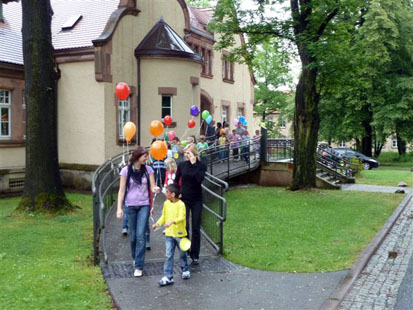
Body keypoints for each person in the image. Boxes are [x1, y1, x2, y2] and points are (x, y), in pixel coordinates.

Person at [116, 147, 160, 277]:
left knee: (141, 234)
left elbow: (152, 186)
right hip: (130, 206)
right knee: (133, 236)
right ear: (137, 156)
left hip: (144, 205)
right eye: (145, 156)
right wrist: (119, 208)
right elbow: (122, 190)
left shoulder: (148, 170)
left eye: (147, 156)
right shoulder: (125, 171)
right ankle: (135, 257)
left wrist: (156, 188)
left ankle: (139, 265)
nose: (147, 158)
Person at [174, 144, 207, 265]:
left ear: (195, 154)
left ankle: (195, 254)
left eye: (189, 153)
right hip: (184, 199)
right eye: (186, 153)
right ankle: (186, 250)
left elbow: (199, 179)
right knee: (185, 226)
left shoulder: (201, 166)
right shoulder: (181, 166)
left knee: (196, 227)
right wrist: (177, 194)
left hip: (197, 199)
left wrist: (194, 164)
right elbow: (176, 181)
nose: (186, 155)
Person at [152, 184, 190, 286]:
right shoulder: (166, 204)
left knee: (182, 253)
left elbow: (182, 217)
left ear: (173, 194)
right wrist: (157, 224)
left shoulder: (181, 204)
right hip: (169, 234)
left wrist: (172, 222)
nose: (165, 193)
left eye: (167, 192)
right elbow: (164, 216)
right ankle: (168, 276)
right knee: (168, 255)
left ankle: (185, 269)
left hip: (180, 234)